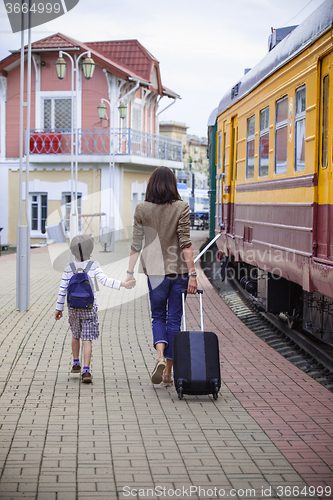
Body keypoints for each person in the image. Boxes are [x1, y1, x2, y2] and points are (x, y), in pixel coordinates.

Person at [126, 166, 197, 387]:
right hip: (178, 272)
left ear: (151, 185)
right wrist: (193, 275)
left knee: (158, 316)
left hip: (155, 273)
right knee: (174, 320)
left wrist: (129, 273)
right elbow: (185, 243)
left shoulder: (141, 209)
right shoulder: (181, 207)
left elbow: (135, 245)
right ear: (172, 184)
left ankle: (158, 355)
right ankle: (168, 372)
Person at [55, 234, 135, 384]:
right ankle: (86, 370)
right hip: (89, 309)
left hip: (73, 309)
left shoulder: (69, 268)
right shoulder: (94, 265)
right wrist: (123, 284)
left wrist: (58, 308)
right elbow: (105, 281)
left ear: (72, 251)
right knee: (87, 339)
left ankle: (75, 362)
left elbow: (63, 289)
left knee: (75, 335)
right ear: (90, 250)